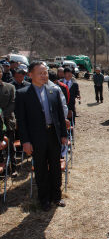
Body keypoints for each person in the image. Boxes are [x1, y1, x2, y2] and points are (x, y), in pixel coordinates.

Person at [15, 62, 67, 211]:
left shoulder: (54, 90)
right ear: (30, 75)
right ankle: (44, 199)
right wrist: (25, 141)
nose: (44, 75)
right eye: (40, 73)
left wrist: (63, 134)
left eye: (45, 72)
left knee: (56, 166)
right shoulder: (23, 94)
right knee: (41, 168)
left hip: (53, 135)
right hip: (36, 137)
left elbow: (59, 116)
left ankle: (56, 196)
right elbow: (22, 121)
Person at [0, 65, 17, 177]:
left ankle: (13, 167)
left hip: (8, 121)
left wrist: (2, 114)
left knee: (10, 146)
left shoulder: (10, 87)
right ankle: (2, 168)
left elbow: (13, 103)